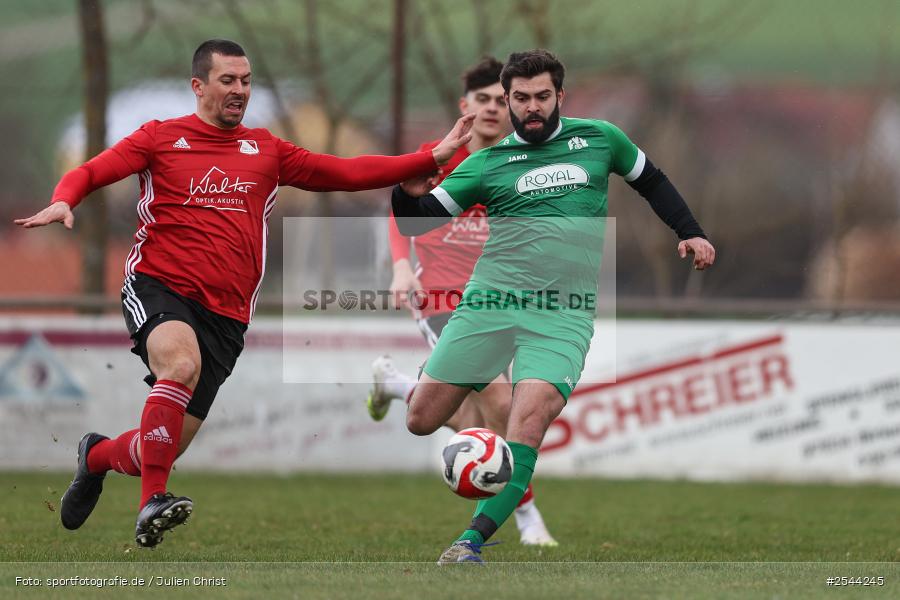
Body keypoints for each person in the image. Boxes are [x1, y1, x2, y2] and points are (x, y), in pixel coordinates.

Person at [14, 39, 474, 548]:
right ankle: (152, 502)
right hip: (159, 284)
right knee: (180, 366)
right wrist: (63, 199)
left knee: (156, 448)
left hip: (226, 317)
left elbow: (345, 172)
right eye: (228, 80)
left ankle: (97, 457)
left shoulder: (267, 150)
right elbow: (93, 170)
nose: (240, 90)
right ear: (199, 86)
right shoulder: (160, 139)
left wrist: (428, 157)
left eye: (246, 81)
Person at [391, 49, 716, 564]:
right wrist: (405, 191)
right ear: (510, 100)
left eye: (542, 96)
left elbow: (650, 179)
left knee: (527, 422)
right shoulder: (487, 163)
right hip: (490, 305)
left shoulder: (600, 139)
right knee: (421, 419)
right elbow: (417, 220)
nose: (531, 106)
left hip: (561, 315)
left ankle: (469, 542)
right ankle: (399, 385)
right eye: (521, 98)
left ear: (560, 96)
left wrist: (691, 232)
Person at [366, 57, 556, 546]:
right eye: (484, 100)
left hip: (499, 298)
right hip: (441, 298)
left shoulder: (518, 160)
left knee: (468, 418)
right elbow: (401, 208)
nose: (493, 109)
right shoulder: (441, 156)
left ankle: (396, 384)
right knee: (498, 397)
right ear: (464, 105)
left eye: (501, 100)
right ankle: (526, 516)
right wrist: (401, 266)